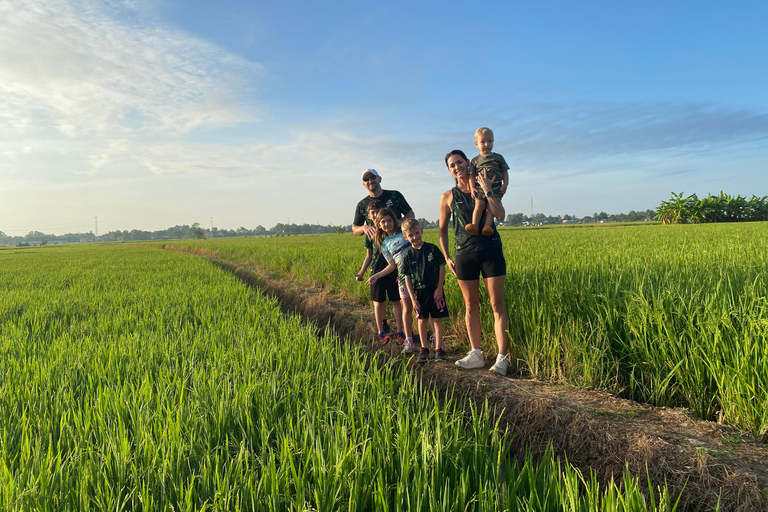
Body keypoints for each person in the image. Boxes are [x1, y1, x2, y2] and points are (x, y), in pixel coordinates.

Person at [438, 149, 510, 375]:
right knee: (471, 306)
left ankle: (501, 358)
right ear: (449, 171)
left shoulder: (485, 182)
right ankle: (476, 354)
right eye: (452, 165)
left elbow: (500, 215)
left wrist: (488, 190)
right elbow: (442, 230)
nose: (457, 167)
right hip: (464, 254)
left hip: (491, 250)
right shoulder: (447, 196)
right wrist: (447, 257)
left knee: (497, 304)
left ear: (468, 162)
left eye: (459, 162)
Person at [365, 208, 416, 354]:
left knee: (423, 308)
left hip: (419, 275)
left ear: (394, 220)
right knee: (407, 308)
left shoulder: (405, 234)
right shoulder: (385, 243)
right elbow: (392, 265)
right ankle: (408, 339)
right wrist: (376, 276)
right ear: (379, 225)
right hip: (403, 278)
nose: (387, 224)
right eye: (383, 222)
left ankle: (431, 340)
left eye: (389, 220)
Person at [354, 200, 404, 343]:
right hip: (376, 270)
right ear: (370, 216)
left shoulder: (394, 233)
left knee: (396, 300)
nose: (376, 215)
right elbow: (368, 256)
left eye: (378, 212)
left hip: (394, 271)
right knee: (378, 302)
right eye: (373, 213)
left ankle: (400, 331)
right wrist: (362, 272)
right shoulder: (370, 235)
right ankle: (381, 332)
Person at [400, 218, 448, 363]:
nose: (415, 237)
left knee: (437, 320)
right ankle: (424, 348)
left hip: (435, 291)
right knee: (422, 320)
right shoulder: (408, 256)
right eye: (411, 235)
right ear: (406, 237)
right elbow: (407, 277)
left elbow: (441, 267)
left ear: (421, 231)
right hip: (419, 292)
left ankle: (439, 349)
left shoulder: (432, 249)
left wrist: (440, 288)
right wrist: (413, 299)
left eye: (416, 233)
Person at [466, 127, 509, 237]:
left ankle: (487, 226)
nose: (487, 144)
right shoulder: (475, 160)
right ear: (476, 144)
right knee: (479, 204)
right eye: (483, 142)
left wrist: (505, 184)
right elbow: (471, 175)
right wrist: (472, 188)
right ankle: (474, 225)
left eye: (490, 141)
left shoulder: (498, 157)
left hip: (496, 188)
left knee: (491, 207)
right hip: (480, 187)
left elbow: (505, 172)